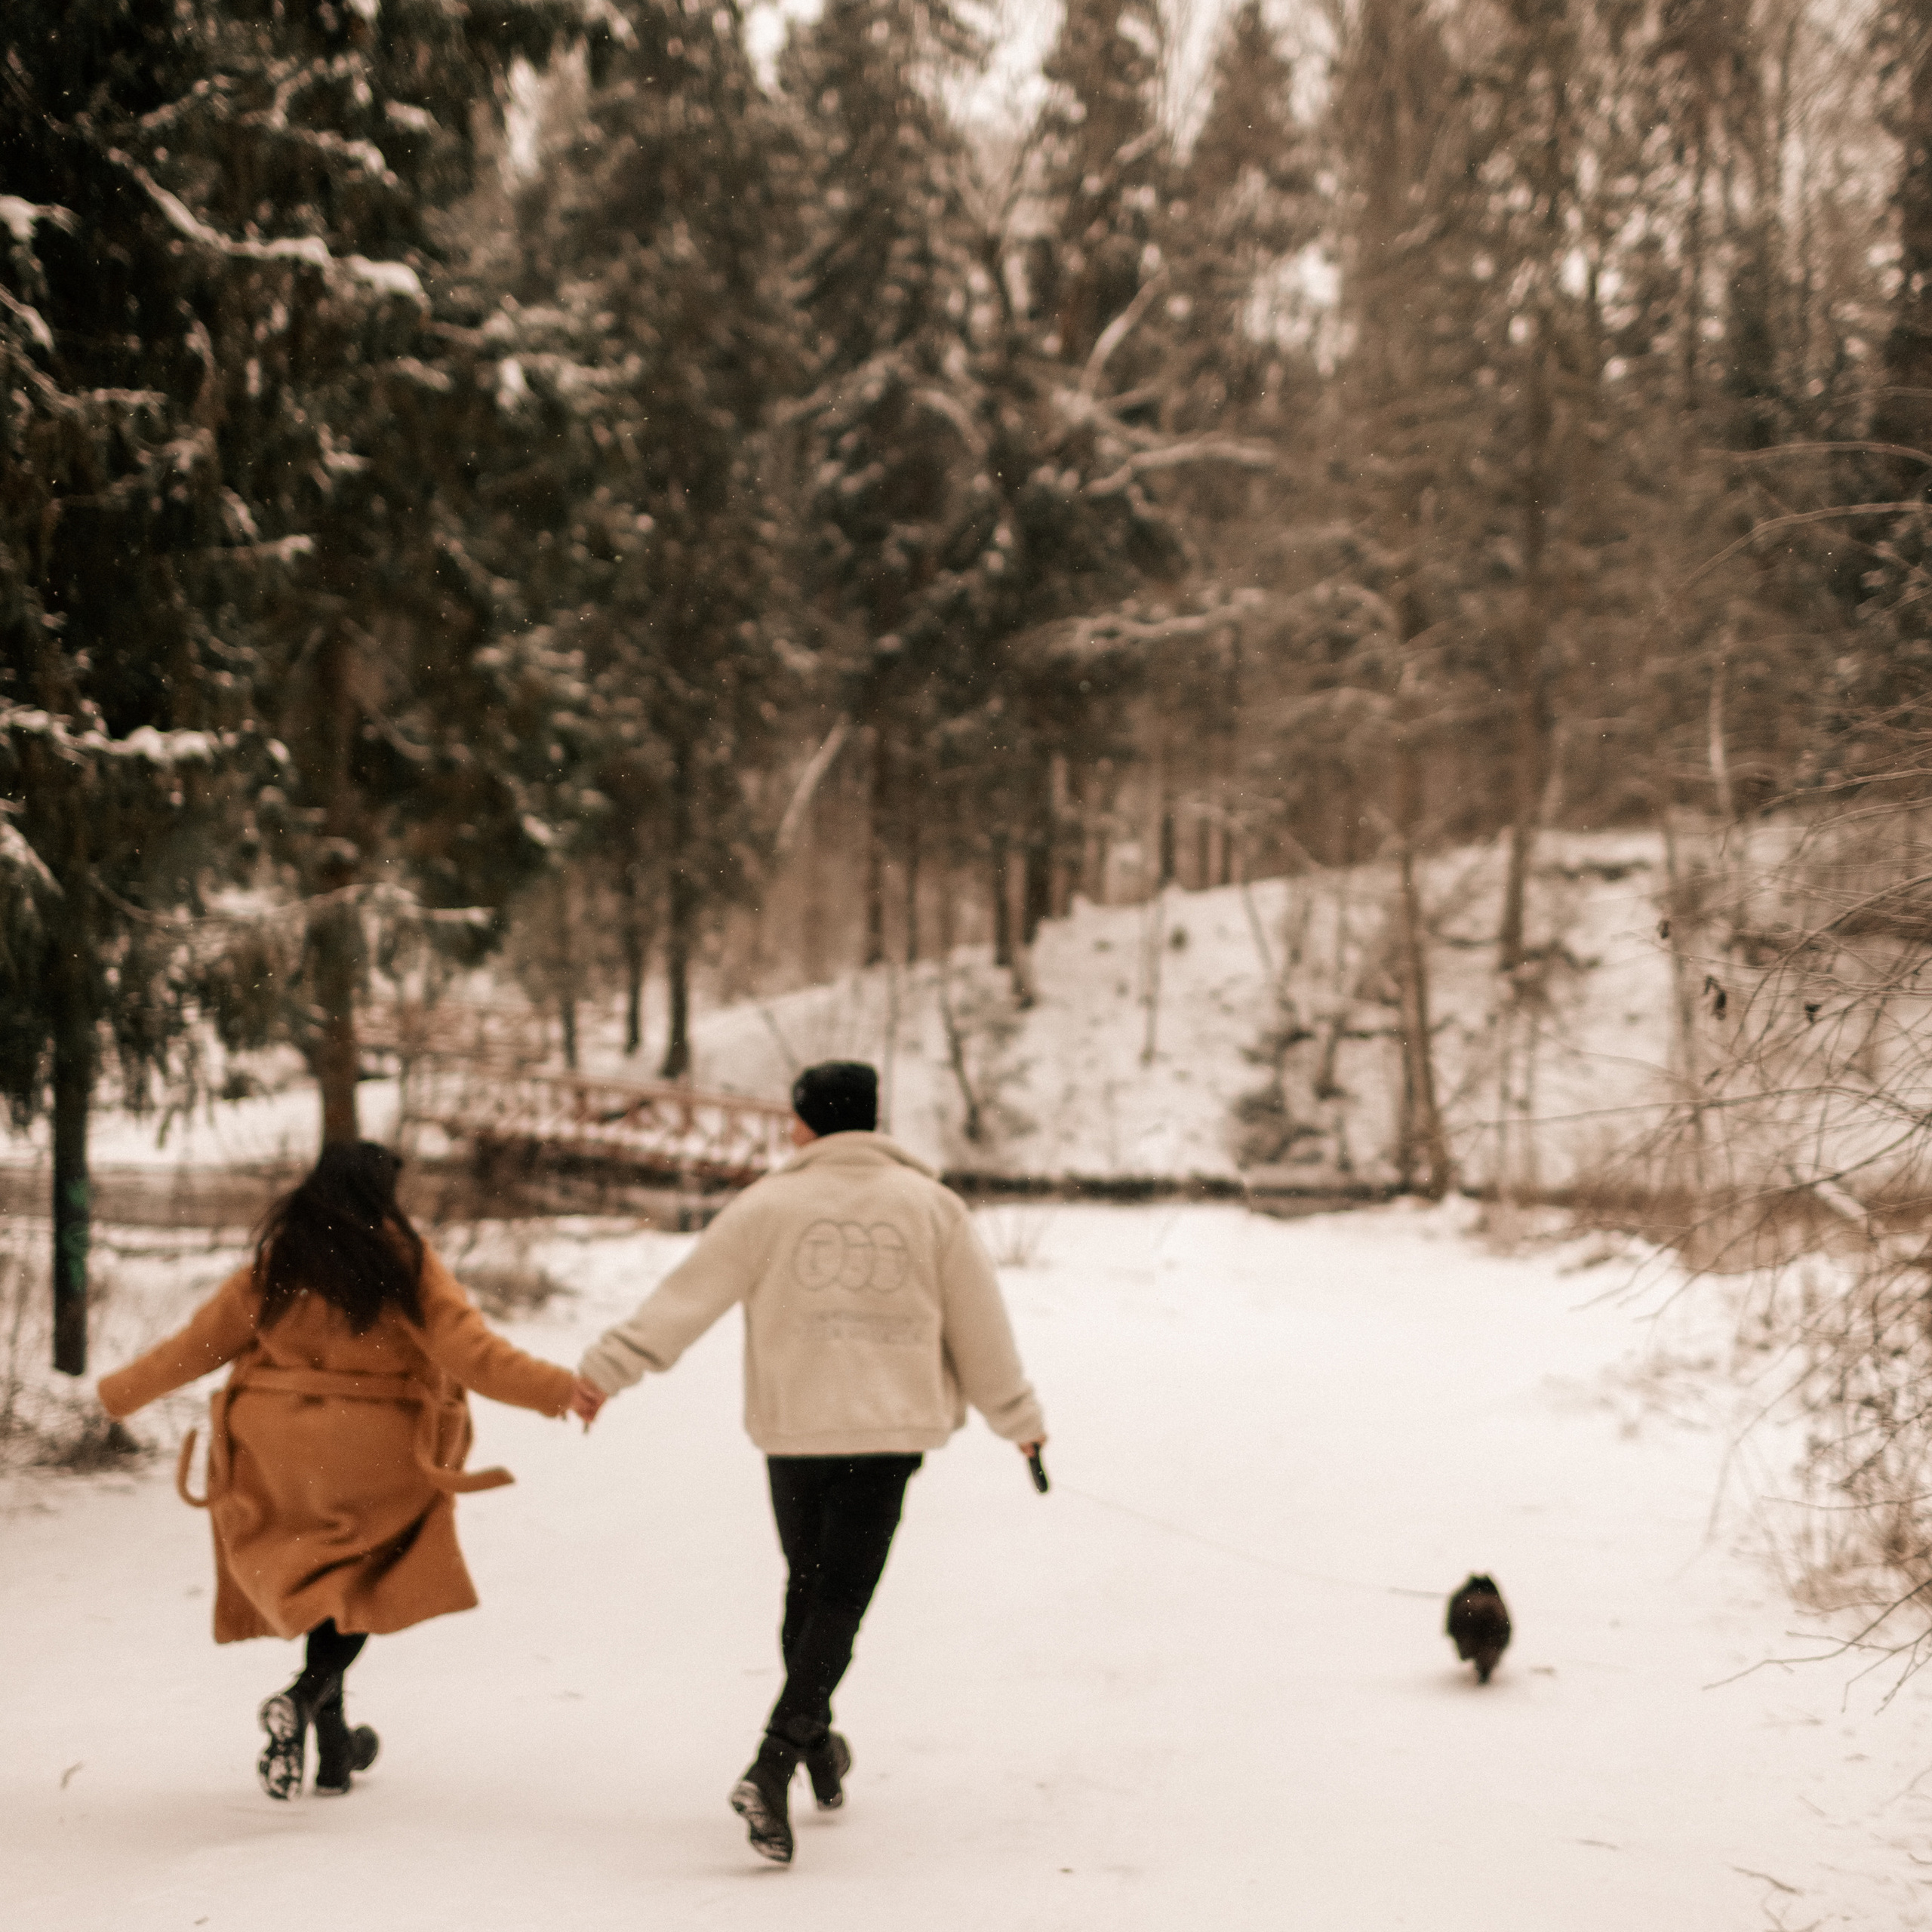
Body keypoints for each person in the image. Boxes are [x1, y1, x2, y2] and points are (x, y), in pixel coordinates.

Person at [576, 1060, 1046, 1866]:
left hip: (795, 1431)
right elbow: (980, 1327)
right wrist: (1019, 1419)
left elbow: (686, 1297)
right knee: (836, 1599)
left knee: (811, 1591)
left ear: (804, 1122)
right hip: (886, 1433)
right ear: (871, 1117)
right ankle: (778, 1759)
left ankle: (811, 1750)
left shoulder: (767, 1206)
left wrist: (607, 1370)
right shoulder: (933, 1208)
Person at [97, 1140, 603, 1799]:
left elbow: (197, 1347)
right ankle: (306, 1695)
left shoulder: (279, 1262)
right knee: (362, 1580)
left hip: (273, 1450)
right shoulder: (402, 1265)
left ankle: (335, 1747)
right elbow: (473, 1353)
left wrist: (119, 1394)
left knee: (323, 1579)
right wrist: (559, 1389)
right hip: (371, 1451)